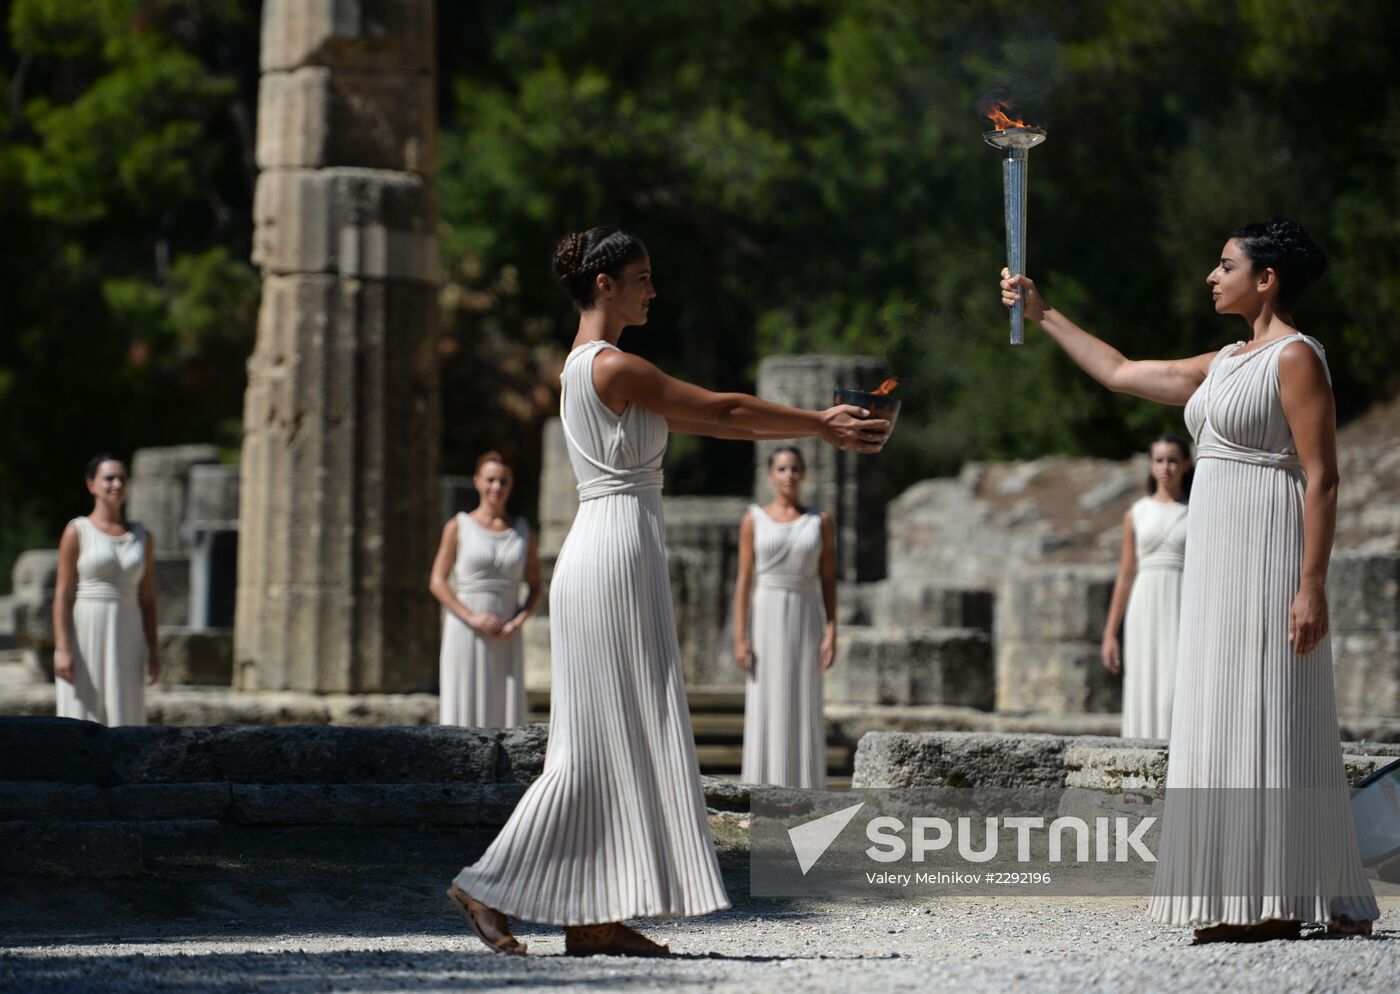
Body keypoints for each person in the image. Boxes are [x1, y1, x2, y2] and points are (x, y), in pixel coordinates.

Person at [447, 226, 889, 958]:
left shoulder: (593, 371)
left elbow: (712, 424)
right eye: (642, 277)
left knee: (617, 735)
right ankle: (486, 886)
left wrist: (810, 430)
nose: (654, 290)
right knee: (589, 747)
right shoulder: (610, 366)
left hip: (619, 549)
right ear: (603, 284)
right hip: (613, 553)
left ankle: (594, 918)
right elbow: (722, 408)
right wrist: (818, 424)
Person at [1000, 218, 1377, 941]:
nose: (1212, 274)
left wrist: (1312, 584)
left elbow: (1324, 478)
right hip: (1216, 552)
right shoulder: (1225, 360)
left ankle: (1276, 896)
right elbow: (1118, 371)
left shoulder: (1297, 359)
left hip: (1268, 543)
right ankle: (1248, 887)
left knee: (1272, 703)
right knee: (1220, 702)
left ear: (1265, 279)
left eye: (1226, 264)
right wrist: (1042, 311)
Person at [734, 446, 836, 788]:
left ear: (803, 475)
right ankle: (763, 785)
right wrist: (740, 636)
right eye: (781, 469)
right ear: (770, 475)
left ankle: (804, 785)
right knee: (767, 693)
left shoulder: (819, 521)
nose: (788, 475)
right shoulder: (753, 518)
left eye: (794, 468)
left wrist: (832, 630)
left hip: (806, 612)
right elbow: (745, 579)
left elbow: (828, 578)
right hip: (767, 612)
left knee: (803, 693)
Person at [429, 451, 540, 727]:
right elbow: (438, 582)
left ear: (511, 485)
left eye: (503, 481)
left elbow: (536, 586)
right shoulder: (458, 526)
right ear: (477, 481)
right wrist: (472, 617)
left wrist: (519, 621)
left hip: (506, 634)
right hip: (466, 630)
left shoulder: (524, 531)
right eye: (490, 480)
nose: (496, 488)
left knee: (504, 710)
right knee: (463, 709)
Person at [52, 454, 160, 726]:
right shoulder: (77, 531)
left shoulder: (142, 536)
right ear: (92, 485)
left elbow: (147, 599)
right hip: (87, 629)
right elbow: (63, 595)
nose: (117, 483)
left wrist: (154, 650)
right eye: (109, 478)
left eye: (122, 478)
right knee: (83, 709)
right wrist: (62, 648)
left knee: (126, 705)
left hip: (128, 630)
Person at [1101, 434, 1192, 739]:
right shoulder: (1136, 513)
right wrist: (1110, 633)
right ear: (1151, 466)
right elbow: (1126, 575)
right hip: (1144, 602)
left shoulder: (1197, 511)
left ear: (1187, 464)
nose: (1165, 467)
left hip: (1181, 601)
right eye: (1159, 460)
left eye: (1173, 460)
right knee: (1144, 678)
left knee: (1176, 682)